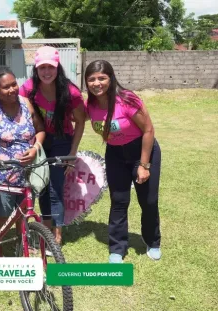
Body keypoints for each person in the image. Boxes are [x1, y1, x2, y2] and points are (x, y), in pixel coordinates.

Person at [84, 60, 162, 264]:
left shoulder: (126, 99)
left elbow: (148, 131)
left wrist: (144, 166)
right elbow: (72, 116)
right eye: (91, 79)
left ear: (111, 78)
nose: (96, 83)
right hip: (116, 154)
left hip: (142, 152)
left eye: (102, 78)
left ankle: (153, 241)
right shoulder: (90, 105)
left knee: (149, 201)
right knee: (119, 201)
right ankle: (117, 247)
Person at [19, 46, 87, 246]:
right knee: (41, 186)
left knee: (56, 188)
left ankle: (57, 234)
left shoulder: (70, 91)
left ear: (58, 67)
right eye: (42, 68)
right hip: (38, 142)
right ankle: (46, 229)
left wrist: (72, 153)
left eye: (51, 67)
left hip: (61, 141)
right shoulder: (28, 89)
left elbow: (81, 121)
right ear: (36, 69)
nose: (46, 72)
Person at [0, 67, 45, 257]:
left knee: (23, 212)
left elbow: (40, 130)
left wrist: (35, 148)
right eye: (6, 87)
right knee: (1, 214)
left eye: (14, 84)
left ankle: (21, 245)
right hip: (3, 173)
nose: (12, 89)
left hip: (29, 171)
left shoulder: (27, 104)